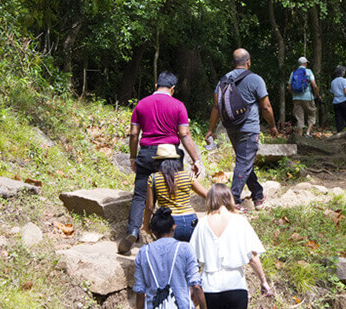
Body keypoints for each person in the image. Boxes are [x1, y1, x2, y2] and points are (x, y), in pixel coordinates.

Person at [120, 71, 203, 254]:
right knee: (169, 192)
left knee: (140, 195)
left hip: (147, 153)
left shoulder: (141, 104)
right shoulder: (178, 105)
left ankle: (133, 230)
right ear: (172, 89)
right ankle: (168, 233)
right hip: (170, 155)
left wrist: (133, 157)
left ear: (156, 86)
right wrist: (195, 159)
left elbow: (134, 134)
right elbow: (184, 134)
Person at [205, 48, 278, 212]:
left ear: (233, 63)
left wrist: (211, 129)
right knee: (243, 162)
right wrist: (272, 125)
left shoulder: (223, 80)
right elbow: (266, 107)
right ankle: (233, 201)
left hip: (231, 127)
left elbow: (216, 107)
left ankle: (258, 195)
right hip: (249, 128)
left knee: (245, 162)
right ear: (248, 62)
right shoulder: (255, 79)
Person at [142, 144, 208, 243]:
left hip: (169, 223)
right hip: (191, 221)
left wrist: (146, 226)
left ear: (158, 162)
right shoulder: (187, 176)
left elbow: (150, 207)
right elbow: (208, 195)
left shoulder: (154, 178)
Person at [288, 56, 320, 137]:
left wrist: (294, 95)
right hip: (307, 97)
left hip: (296, 98)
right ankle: (308, 133)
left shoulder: (294, 72)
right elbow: (314, 86)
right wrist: (317, 95)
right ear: (305, 63)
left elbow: (289, 87)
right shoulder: (308, 71)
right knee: (312, 114)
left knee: (299, 117)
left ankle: (299, 136)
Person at [330, 65, 346, 132]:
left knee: (339, 121)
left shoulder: (333, 82)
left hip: (336, 103)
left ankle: (339, 134)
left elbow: (333, 92)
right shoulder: (344, 80)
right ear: (342, 73)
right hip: (345, 101)